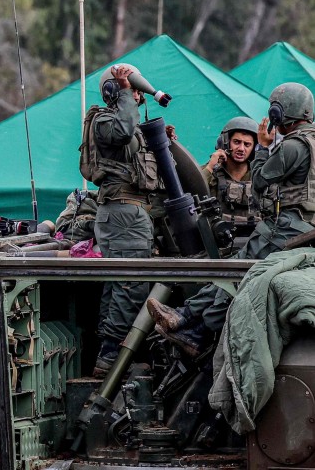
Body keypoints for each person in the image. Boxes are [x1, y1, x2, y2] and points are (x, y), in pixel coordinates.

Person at [148, 83, 315, 357]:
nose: (241, 148)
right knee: (239, 277)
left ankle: (188, 321)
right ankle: (190, 325)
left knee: (233, 272)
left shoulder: (294, 146)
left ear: (279, 113)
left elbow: (260, 180)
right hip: (305, 231)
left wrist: (262, 148)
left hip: (285, 228)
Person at [81, 64, 162, 377]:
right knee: (130, 284)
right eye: (131, 89)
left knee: (119, 284)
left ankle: (109, 353)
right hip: (123, 212)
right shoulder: (104, 121)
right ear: (114, 91)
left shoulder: (128, 128)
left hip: (130, 211)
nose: (137, 95)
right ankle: (112, 355)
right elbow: (123, 130)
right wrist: (125, 90)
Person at [201, 117, 259, 223]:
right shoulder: (210, 171)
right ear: (225, 142)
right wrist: (210, 167)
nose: (241, 149)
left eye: (247, 144)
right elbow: (192, 192)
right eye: (237, 142)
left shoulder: (259, 175)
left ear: (254, 148)